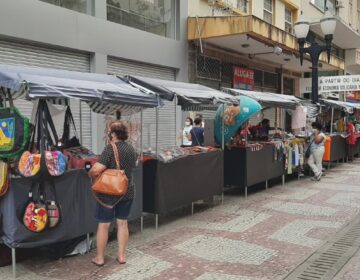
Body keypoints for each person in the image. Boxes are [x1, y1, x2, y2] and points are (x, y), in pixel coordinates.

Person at [89, 121, 137, 266]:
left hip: (109, 194)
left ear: (113, 133)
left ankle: (100, 258)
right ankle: (121, 256)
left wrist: (90, 172)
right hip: (127, 190)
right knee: (122, 223)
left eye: (109, 131)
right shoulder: (131, 149)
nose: (108, 133)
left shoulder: (111, 148)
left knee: (104, 225)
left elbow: (97, 169)